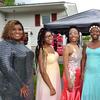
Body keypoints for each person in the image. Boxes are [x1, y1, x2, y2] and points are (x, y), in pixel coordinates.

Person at [0, 20, 34, 100]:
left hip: (27, 86)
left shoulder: (20, 44)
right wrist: (21, 85)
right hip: (13, 88)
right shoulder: (4, 44)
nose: (17, 31)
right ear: (8, 30)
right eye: (13, 29)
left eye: (20, 29)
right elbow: (6, 67)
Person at [35, 28, 61, 100]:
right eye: (47, 36)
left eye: (51, 35)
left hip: (55, 78)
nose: (50, 38)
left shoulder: (51, 47)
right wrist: (51, 87)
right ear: (43, 39)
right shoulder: (42, 50)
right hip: (47, 81)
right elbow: (42, 71)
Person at [61, 26, 82, 100]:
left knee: (76, 94)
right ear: (68, 36)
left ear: (78, 35)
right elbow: (65, 66)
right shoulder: (67, 47)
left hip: (78, 76)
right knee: (70, 95)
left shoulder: (79, 47)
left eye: (75, 33)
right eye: (70, 33)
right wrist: (69, 81)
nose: (73, 35)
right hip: (70, 76)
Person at [81, 23, 100, 100]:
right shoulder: (86, 44)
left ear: (99, 33)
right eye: (92, 31)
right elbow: (83, 59)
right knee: (87, 92)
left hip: (98, 73)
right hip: (88, 73)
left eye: (96, 31)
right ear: (90, 33)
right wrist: (82, 72)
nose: (94, 33)